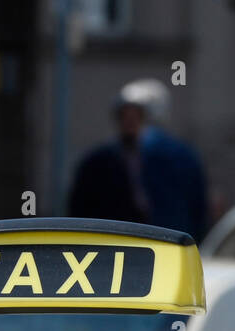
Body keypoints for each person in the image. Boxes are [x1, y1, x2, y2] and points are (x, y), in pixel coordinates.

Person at [68, 79, 209, 241]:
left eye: (136, 116)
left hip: (165, 241)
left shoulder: (179, 157)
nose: (129, 122)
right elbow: (80, 208)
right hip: (114, 243)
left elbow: (196, 207)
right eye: (124, 116)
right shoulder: (98, 162)